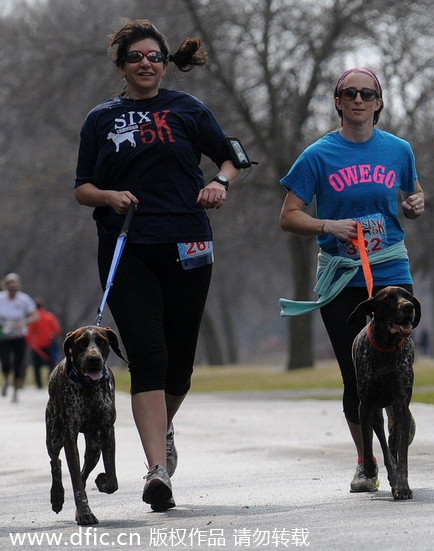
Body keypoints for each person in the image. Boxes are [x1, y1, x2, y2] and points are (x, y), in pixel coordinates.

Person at [74, 19, 241, 512]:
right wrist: (109, 195)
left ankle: (162, 426)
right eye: (136, 57)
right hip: (127, 247)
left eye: (154, 57)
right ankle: (156, 470)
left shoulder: (188, 109)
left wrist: (221, 183)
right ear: (122, 64)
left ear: (165, 64)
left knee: (180, 365)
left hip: (188, 244)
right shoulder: (101, 118)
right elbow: (83, 187)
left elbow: (231, 156)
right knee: (148, 355)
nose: (145, 64)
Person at [278, 67, 424, 492]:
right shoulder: (317, 156)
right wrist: (328, 225)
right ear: (338, 101)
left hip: (391, 270)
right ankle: (366, 462)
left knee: (398, 366)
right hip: (343, 277)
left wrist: (415, 204)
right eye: (349, 93)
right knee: (354, 373)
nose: (358, 100)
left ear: (378, 103)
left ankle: (399, 421)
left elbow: (412, 196)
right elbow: (288, 216)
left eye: (367, 93)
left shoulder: (398, 150)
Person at [0, 273, 39, 403]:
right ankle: (6, 380)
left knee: (18, 364)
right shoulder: (1, 298)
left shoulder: (24, 299)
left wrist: (25, 322)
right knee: (5, 362)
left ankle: (15, 391)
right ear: (6, 286)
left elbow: (35, 316)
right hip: (4, 335)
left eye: (15, 286)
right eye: (10, 286)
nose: (13, 289)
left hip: (19, 335)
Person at [25, 298, 62, 389]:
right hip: (49, 343)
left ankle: (39, 384)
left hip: (37, 345)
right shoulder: (49, 316)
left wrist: (30, 343)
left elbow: (29, 332)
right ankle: (51, 380)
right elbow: (57, 330)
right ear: (43, 306)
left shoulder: (34, 318)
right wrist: (55, 337)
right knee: (51, 363)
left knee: (36, 365)